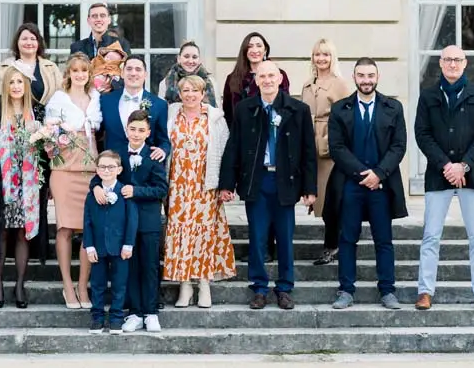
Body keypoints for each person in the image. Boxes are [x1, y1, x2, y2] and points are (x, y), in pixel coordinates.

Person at [219, 61, 317, 311]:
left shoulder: (298, 109)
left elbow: (308, 152)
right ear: (257, 80)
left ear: (280, 78)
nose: (268, 80)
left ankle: (284, 288)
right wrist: (226, 184)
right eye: (262, 76)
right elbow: (234, 148)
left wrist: (310, 188)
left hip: (285, 182)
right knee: (257, 237)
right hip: (257, 180)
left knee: (284, 238)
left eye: (272, 75)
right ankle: (259, 288)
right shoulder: (244, 109)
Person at [414, 45, 474, 312]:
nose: (452, 64)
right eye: (447, 59)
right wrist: (447, 165)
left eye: (457, 60)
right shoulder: (427, 97)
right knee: (431, 236)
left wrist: (464, 166)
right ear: (440, 63)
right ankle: (425, 291)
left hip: (471, 175)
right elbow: (422, 134)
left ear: (465, 63)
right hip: (439, 175)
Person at [327, 58, 408, 310]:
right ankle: (346, 290)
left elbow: (399, 146)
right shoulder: (340, 109)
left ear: (378, 76)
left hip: (381, 186)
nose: (366, 80)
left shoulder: (393, 107)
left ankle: (387, 290)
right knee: (347, 239)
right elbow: (337, 148)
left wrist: (379, 174)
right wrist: (363, 174)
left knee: (383, 240)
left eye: (370, 75)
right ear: (354, 77)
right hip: (350, 185)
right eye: (361, 75)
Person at [90, 109, 168, 333]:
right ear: (126, 130)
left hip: (149, 220)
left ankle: (151, 312)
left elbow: (161, 188)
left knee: (150, 265)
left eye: (141, 130)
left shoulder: (154, 157)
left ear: (148, 132)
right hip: (123, 222)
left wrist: (136, 190)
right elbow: (99, 175)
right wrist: (95, 187)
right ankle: (134, 312)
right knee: (130, 267)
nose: (136, 134)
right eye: (132, 129)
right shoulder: (118, 155)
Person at [0, 68, 44, 309]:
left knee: (23, 233)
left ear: (26, 86)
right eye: (11, 82)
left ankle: (20, 284)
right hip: (0, 183)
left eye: (19, 82)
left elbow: (46, 152)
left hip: (28, 185)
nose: (15, 86)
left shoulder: (37, 113)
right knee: (1, 232)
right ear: (5, 86)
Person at [164, 75, 235, 308]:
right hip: (178, 187)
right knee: (181, 234)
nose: (190, 95)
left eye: (195, 90)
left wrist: (226, 185)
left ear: (203, 94)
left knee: (204, 234)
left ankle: (204, 284)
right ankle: (185, 285)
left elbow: (227, 154)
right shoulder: (171, 115)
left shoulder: (215, 119)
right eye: (185, 90)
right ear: (179, 94)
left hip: (205, 186)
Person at [44, 52, 102, 309]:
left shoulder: (96, 97)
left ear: (89, 74)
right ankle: (68, 285)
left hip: (90, 169)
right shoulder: (58, 98)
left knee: (88, 228)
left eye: (84, 71)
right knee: (65, 228)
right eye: (75, 71)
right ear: (68, 74)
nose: (79, 75)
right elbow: (47, 138)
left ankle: (82, 285)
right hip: (65, 170)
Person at [300, 38, 351, 265]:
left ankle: (334, 245)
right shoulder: (307, 84)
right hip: (310, 145)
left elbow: (347, 118)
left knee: (333, 200)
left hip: (330, 148)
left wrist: (332, 140)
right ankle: (333, 243)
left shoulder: (339, 83)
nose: (321, 59)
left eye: (326, 55)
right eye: (317, 54)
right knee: (317, 198)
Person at [83, 149, 138, 332]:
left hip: (120, 247)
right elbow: (88, 221)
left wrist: (128, 244)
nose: (106, 170)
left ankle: (116, 318)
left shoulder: (125, 193)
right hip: (98, 247)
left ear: (119, 169)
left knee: (119, 284)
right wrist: (89, 246)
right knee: (97, 284)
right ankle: (97, 317)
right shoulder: (92, 196)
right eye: (102, 167)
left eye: (111, 167)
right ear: (97, 170)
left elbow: (132, 221)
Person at [99, 54, 170, 162]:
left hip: (145, 168)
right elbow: (97, 135)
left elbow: (163, 140)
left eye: (138, 69)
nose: (133, 73)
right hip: (112, 168)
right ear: (122, 73)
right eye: (129, 69)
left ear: (145, 74)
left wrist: (163, 150)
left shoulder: (159, 105)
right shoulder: (106, 101)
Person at [221, 31, 291, 127]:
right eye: (250, 46)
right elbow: (227, 112)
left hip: (272, 130)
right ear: (245, 50)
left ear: (265, 50)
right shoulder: (232, 78)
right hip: (242, 132)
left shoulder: (279, 74)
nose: (254, 50)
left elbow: (285, 105)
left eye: (259, 46)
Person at [0, 22, 63, 105]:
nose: (29, 43)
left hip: (45, 117)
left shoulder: (51, 68)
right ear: (17, 42)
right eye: (24, 39)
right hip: (11, 117)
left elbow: (61, 98)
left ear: (38, 43)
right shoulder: (3, 68)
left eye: (33, 39)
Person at [159, 41, 219, 107]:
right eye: (186, 56)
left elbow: (217, 112)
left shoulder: (211, 82)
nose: (190, 61)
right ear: (179, 58)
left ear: (199, 60)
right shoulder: (166, 83)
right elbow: (162, 110)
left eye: (194, 57)